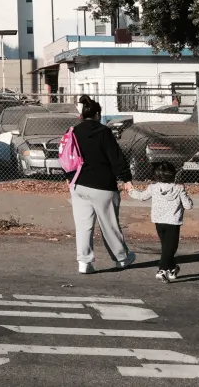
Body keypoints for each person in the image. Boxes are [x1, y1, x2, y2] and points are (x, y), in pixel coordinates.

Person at [69, 94, 137, 274]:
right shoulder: (103, 132)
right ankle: (121, 258)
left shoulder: (74, 132)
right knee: (109, 224)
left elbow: (68, 157)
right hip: (102, 185)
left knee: (83, 226)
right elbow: (115, 157)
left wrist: (70, 178)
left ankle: (84, 262)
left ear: (82, 115)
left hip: (78, 184)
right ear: (98, 114)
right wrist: (125, 178)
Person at [128, 161, 194, 282]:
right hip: (173, 222)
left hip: (158, 221)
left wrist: (131, 190)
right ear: (173, 174)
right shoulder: (179, 189)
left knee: (166, 247)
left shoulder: (153, 188)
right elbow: (188, 205)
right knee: (171, 248)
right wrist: (185, 192)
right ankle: (162, 269)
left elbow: (141, 196)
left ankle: (172, 268)